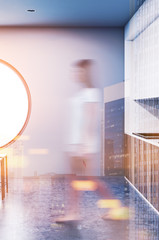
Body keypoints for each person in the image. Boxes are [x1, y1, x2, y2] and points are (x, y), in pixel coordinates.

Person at [56, 59, 122, 223]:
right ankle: (74, 213)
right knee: (73, 180)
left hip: (83, 146)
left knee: (90, 180)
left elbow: (91, 120)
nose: (75, 74)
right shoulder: (81, 94)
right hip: (73, 144)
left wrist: (83, 146)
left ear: (85, 73)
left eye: (78, 71)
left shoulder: (91, 93)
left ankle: (116, 209)